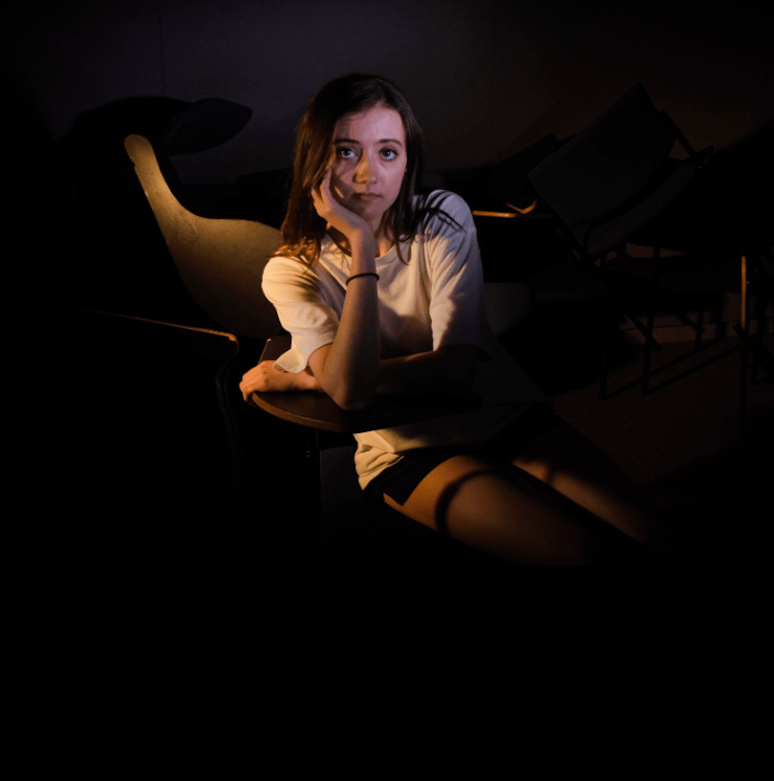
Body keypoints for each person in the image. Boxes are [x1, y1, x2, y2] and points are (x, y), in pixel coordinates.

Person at [240, 74, 669, 565]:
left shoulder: (442, 216)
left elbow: (454, 370)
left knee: (657, 536)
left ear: (408, 161)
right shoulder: (291, 270)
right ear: (315, 160)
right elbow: (353, 395)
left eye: (387, 152)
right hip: (407, 449)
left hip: (501, 412)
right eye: (346, 152)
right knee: (582, 553)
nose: (367, 175)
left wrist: (313, 380)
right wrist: (360, 244)